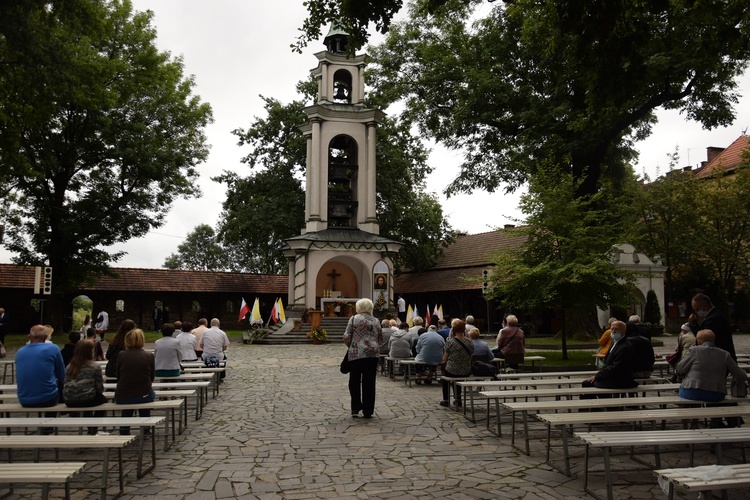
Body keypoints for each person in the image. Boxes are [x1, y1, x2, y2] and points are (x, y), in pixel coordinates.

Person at [16, 325, 66, 433]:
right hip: (48, 399)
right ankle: (49, 425)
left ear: (29, 337)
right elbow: (61, 374)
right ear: (45, 337)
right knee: (58, 386)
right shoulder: (53, 348)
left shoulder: (20, 352)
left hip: (24, 398)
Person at [676, 329, 747, 404]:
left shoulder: (694, 350)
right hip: (717, 394)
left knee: (685, 396)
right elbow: (741, 375)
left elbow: (680, 369)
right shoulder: (725, 354)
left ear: (698, 340)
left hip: (692, 391)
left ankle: (692, 414)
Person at [343, 298, 383, 419]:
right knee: (369, 383)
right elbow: (380, 339)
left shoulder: (354, 318)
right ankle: (368, 410)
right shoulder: (376, 320)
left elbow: (346, 336)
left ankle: (355, 407)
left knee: (354, 381)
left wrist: (350, 346)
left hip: (356, 353)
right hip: (372, 354)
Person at [115, 328, 155, 435]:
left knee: (127, 407)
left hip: (123, 394)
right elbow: (151, 377)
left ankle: (124, 430)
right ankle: (146, 430)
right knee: (146, 397)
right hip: (144, 394)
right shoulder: (149, 356)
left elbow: (118, 375)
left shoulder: (121, 355)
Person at [63, 339, 108, 435]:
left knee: (88, 396)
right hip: (87, 399)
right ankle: (93, 427)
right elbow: (99, 388)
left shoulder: (69, 366)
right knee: (103, 401)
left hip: (69, 400)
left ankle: (91, 427)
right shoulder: (94, 366)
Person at [582, 320, 637, 389]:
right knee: (588, 382)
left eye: (616, 329)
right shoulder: (615, 342)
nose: (613, 331)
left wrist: (597, 376)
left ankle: (601, 399)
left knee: (587, 383)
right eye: (612, 329)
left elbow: (616, 367)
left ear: (624, 331)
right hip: (613, 376)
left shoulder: (625, 347)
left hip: (620, 380)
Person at [688, 293, 736, 360]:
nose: (696, 312)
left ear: (704, 306)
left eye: (697, 309)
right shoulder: (713, 315)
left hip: (720, 359)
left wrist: (692, 323)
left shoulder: (713, 318)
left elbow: (703, 336)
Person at [439, 320, 473, 407]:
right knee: (458, 378)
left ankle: (446, 399)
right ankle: (458, 398)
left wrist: (443, 364)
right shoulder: (469, 342)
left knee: (445, 378)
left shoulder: (450, 342)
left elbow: (445, 358)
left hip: (452, 369)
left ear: (453, 330)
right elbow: (471, 355)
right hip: (465, 369)